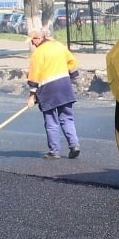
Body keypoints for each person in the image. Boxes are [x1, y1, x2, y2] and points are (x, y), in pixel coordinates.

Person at [25, 25, 81, 160]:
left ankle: (54, 151)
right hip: (64, 86)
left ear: (38, 38)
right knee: (67, 117)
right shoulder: (59, 46)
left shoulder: (38, 53)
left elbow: (34, 75)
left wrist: (32, 95)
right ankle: (74, 145)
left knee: (51, 121)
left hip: (48, 90)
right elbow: (72, 62)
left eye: (32, 40)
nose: (32, 43)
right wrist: (69, 77)